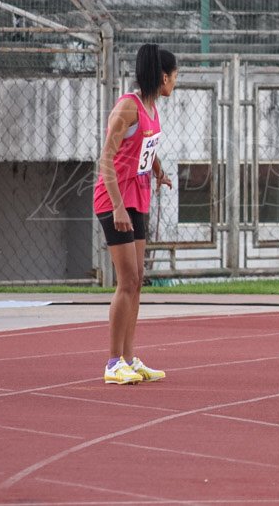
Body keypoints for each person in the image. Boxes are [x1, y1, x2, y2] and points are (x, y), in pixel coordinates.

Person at [93, 43, 178, 384]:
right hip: (114, 201)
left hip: (138, 200)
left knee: (137, 280)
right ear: (162, 77)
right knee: (126, 280)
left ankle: (129, 358)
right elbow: (106, 160)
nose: (175, 83)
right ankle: (113, 362)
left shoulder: (151, 107)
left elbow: (146, 143)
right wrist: (116, 206)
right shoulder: (127, 107)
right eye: (174, 77)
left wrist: (157, 169)